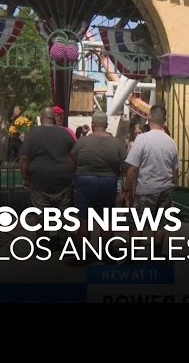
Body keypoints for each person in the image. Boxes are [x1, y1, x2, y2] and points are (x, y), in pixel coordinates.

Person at [122, 105, 180, 258]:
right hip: (166, 189)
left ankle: (132, 257)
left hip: (145, 190)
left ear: (149, 118)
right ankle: (156, 255)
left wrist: (126, 188)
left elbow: (133, 169)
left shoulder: (142, 139)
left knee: (137, 224)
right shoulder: (171, 142)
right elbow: (176, 171)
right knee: (160, 224)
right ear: (165, 120)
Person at [69, 111, 126, 264]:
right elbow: (125, 164)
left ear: (93, 125)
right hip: (108, 181)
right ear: (106, 125)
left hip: (85, 181)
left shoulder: (82, 142)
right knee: (106, 221)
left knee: (83, 221)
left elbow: (72, 159)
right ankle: (106, 255)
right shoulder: (117, 142)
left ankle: (80, 256)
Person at [20, 107, 76, 250]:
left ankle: (42, 242)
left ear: (41, 117)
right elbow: (75, 154)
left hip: (40, 178)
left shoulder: (33, 134)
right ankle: (64, 240)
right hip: (63, 177)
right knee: (64, 211)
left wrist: (25, 177)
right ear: (53, 118)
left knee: (41, 211)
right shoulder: (65, 133)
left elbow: (24, 159)